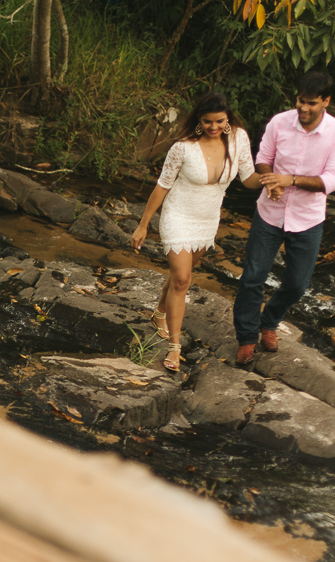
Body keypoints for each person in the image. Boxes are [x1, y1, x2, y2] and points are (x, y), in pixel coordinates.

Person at [132, 91, 263, 372]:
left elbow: (248, 178)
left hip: (207, 220)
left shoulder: (238, 138)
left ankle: (159, 313)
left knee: (181, 273)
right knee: (182, 279)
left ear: (227, 119)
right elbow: (163, 185)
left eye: (219, 121)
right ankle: (174, 349)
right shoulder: (183, 147)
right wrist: (143, 224)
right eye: (207, 122)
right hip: (178, 214)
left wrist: (269, 179)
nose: (213, 127)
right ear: (198, 120)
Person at [232, 71, 335, 366]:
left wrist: (290, 180)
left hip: (308, 219)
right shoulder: (279, 122)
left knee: (297, 284)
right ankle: (247, 339)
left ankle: (269, 321)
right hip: (269, 212)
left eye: (311, 103)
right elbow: (263, 157)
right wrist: (270, 180)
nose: (303, 109)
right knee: (251, 279)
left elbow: (331, 180)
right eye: (300, 101)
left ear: (326, 101)